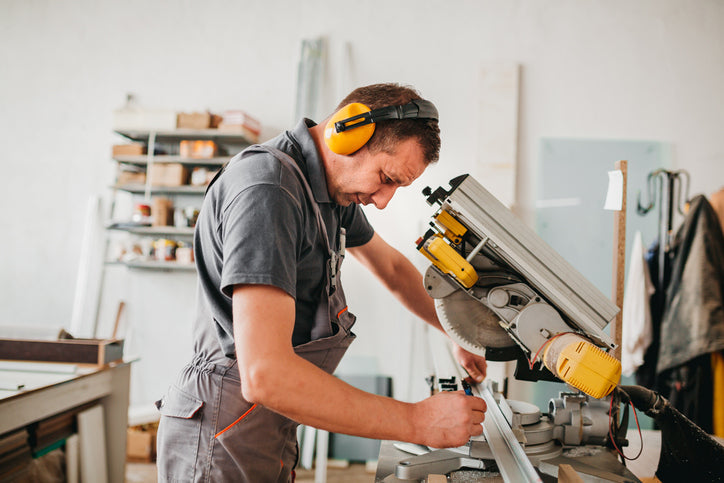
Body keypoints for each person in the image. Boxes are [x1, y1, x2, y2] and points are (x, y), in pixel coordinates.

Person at [156, 83, 488, 482]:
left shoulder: (328, 190)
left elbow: (394, 271)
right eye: (385, 177)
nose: (383, 200)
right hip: (221, 429)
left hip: (264, 422)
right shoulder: (269, 189)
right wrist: (416, 421)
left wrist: (456, 329)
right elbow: (266, 375)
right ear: (348, 132)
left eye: (397, 187)